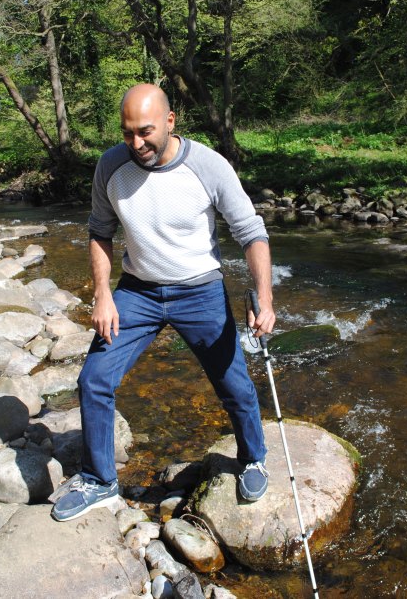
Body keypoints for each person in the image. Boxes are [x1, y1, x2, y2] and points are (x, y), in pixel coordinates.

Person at [51, 83, 276, 522]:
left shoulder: (209, 167)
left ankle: (252, 457)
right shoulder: (111, 167)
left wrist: (264, 299)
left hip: (200, 291)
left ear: (171, 122)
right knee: (94, 377)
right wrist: (102, 294)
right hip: (137, 292)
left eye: (146, 132)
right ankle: (99, 480)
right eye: (127, 133)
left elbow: (251, 233)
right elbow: (100, 230)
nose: (136, 144)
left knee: (233, 384)